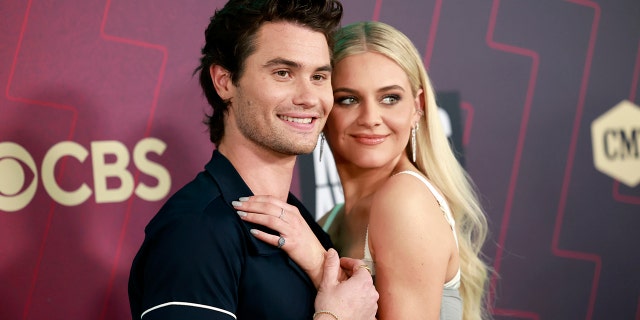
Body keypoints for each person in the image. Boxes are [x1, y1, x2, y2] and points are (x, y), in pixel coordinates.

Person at [128, 1, 379, 319]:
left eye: (318, 77)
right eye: (283, 73)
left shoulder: (301, 226)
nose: (308, 97)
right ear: (225, 81)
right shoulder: (196, 232)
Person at [234, 21, 490, 319]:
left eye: (390, 98)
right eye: (349, 99)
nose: (370, 117)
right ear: (324, 106)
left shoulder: (405, 200)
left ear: (417, 107)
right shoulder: (330, 219)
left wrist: (319, 264)